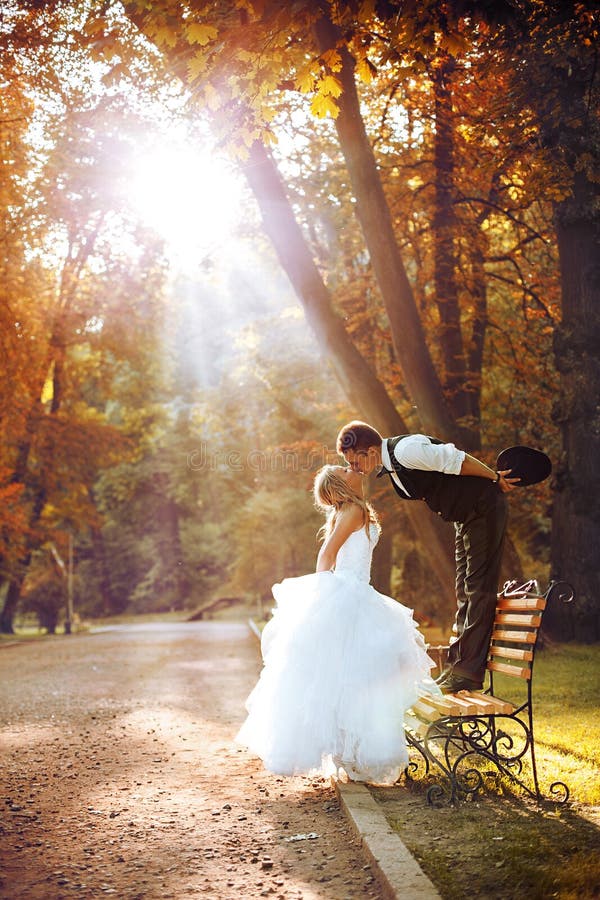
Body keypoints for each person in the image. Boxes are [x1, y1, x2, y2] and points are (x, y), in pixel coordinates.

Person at [236, 464, 439, 785]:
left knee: (352, 675)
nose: (351, 467)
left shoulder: (351, 510)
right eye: (343, 469)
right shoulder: (354, 510)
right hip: (348, 593)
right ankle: (351, 753)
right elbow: (327, 553)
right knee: (350, 675)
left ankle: (351, 753)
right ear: (339, 484)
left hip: (359, 592)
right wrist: (321, 592)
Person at [336, 421, 520, 694]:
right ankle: (457, 667)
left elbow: (457, 459)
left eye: (356, 461)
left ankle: (468, 673)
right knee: (464, 591)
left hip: (484, 508)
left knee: (478, 589)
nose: (355, 468)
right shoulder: (390, 465)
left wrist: (494, 477)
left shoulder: (407, 450)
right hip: (465, 518)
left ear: (372, 450)